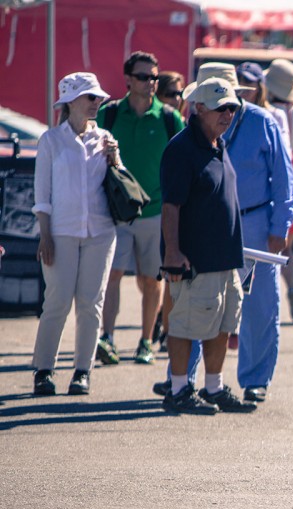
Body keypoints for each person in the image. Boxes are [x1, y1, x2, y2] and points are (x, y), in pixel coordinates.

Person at [158, 77, 256, 415]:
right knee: (185, 324)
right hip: (194, 260)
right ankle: (178, 389)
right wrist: (172, 253)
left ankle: (213, 387)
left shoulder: (217, 144)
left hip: (224, 258)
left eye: (232, 109)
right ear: (198, 108)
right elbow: (171, 206)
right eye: (220, 108)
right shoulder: (182, 149)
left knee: (223, 325)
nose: (227, 115)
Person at [30, 72, 120, 397]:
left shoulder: (106, 137)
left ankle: (83, 371)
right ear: (70, 102)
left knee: (91, 304)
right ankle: (43, 369)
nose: (97, 103)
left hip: (101, 230)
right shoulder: (51, 140)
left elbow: (120, 184)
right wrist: (45, 235)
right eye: (90, 97)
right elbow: (42, 195)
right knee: (56, 302)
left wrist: (115, 159)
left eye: (99, 98)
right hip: (61, 231)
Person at [96, 51, 184, 368]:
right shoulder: (108, 115)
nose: (151, 83)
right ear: (128, 80)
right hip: (116, 211)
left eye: (154, 77)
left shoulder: (169, 118)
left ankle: (146, 341)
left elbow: (183, 164)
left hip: (156, 211)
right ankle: (106, 337)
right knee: (112, 275)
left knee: (151, 280)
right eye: (144, 77)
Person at [221, 62, 293, 403]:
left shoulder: (263, 121)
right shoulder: (198, 119)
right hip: (213, 224)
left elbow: (284, 178)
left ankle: (255, 379)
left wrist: (280, 226)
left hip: (255, 224)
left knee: (260, 306)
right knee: (200, 301)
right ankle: (185, 378)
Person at [265, 58, 293, 324]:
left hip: (270, 179)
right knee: (286, 248)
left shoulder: (268, 112)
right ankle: (291, 288)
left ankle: (268, 297)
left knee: (263, 247)